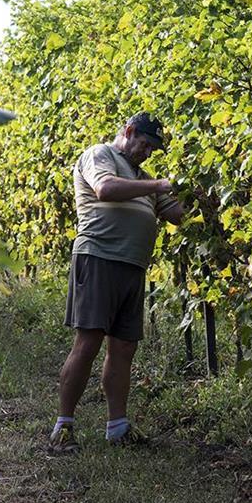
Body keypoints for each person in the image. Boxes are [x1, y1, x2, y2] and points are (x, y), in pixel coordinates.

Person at [47, 112, 187, 456]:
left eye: (154, 149)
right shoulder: (100, 155)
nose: (148, 152)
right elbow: (105, 189)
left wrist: (211, 200)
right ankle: (63, 427)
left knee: (124, 347)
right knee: (89, 341)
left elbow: (178, 214)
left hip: (132, 265)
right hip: (98, 257)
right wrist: (158, 185)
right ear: (128, 131)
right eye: (145, 144)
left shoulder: (143, 178)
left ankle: (118, 428)